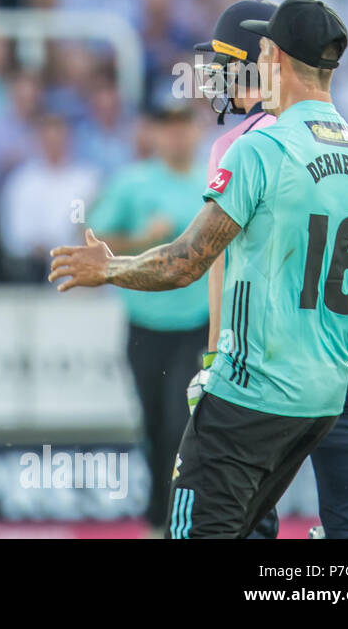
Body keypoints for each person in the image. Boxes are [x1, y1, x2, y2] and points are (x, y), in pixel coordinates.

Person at [50, 0, 348, 539]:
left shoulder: (259, 148)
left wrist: (110, 268)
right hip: (325, 393)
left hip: (254, 391)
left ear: (271, 55)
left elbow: (186, 262)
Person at [191, 0, 348, 540]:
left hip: (274, 340)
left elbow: (220, 263)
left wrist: (216, 355)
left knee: (242, 513)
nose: (211, 76)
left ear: (259, 60)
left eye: (222, 61)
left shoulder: (240, 146)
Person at [88, 99, 209, 536]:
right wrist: (140, 238)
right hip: (145, 321)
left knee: (183, 422)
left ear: (195, 131)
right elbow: (95, 238)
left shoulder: (211, 181)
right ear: (155, 134)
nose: (177, 136)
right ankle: (159, 518)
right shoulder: (133, 183)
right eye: (168, 127)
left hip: (197, 322)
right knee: (154, 423)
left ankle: (181, 518)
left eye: (183, 126)